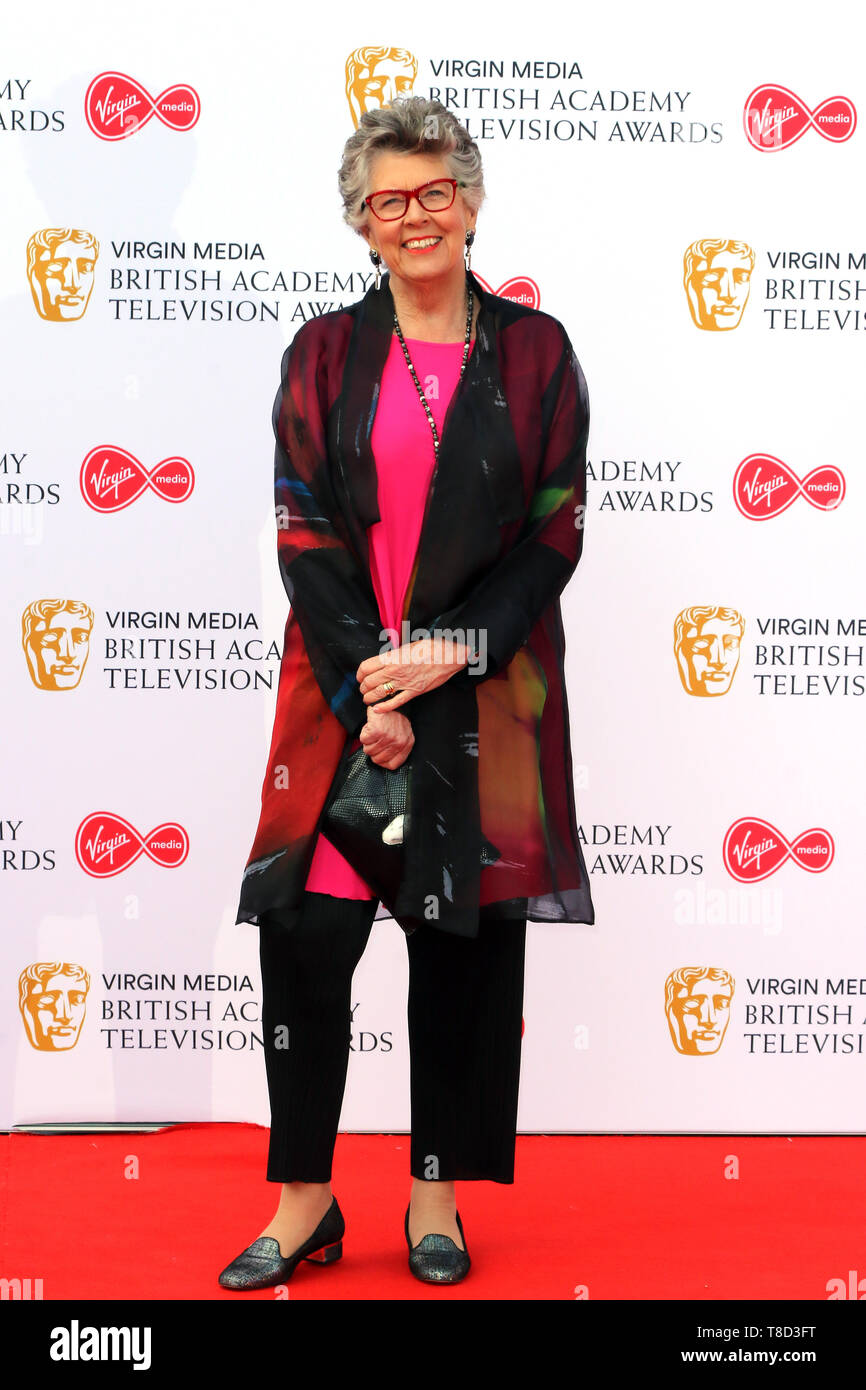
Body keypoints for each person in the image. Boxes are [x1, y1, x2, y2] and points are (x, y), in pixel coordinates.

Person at [219, 95, 594, 1291]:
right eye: (389, 199)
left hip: (481, 697)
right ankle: (304, 1201)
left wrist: (450, 652)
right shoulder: (323, 351)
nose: (415, 214)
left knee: (462, 950)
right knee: (307, 938)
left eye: (435, 191)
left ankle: (435, 1194)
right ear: (361, 225)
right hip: (344, 693)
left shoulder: (536, 351)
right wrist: (367, 679)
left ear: (471, 205)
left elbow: (554, 533)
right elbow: (301, 523)